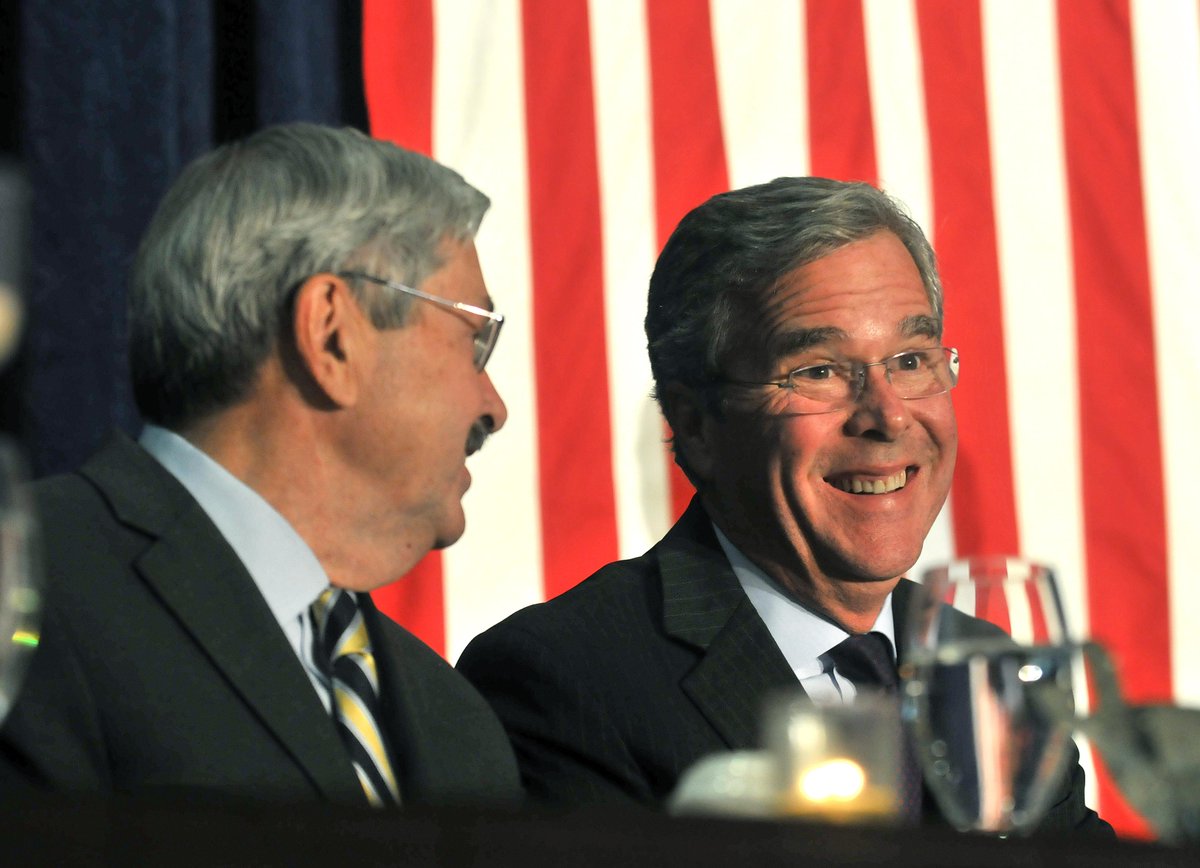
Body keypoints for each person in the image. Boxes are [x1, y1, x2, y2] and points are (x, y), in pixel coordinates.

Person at [457, 177, 1109, 832]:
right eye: (819, 371)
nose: (887, 416)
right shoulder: (567, 680)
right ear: (696, 425)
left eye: (911, 360)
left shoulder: (984, 669)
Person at [0, 123, 519, 808]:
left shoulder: (457, 722)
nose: (494, 407)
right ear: (331, 334)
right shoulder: (25, 583)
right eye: (474, 339)